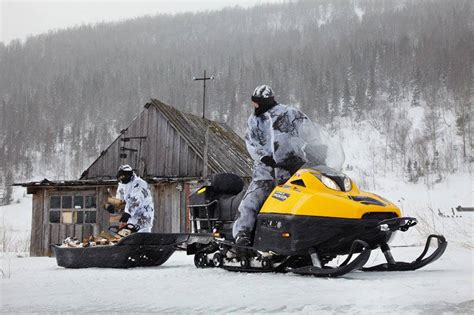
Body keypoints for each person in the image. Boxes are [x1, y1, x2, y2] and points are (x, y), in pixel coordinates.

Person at [232, 85, 325, 245]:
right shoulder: (253, 121)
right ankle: (242, 234)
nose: (255, 106)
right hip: (265, 173)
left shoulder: (290, 114)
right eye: (253, 103)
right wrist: (263, 157)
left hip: (292, 170)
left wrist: (318, 149)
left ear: (267, 101)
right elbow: (250, 143)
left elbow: (309, 131)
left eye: (258, 103)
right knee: (252, 200)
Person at [115, 164, 155, 233]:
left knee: (142, 232)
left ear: (129, 175)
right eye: (121, 177)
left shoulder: (139, 184)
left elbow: (136, 200)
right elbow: (120, 198)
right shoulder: (122, 185)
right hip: (131, 218)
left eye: (124, 176)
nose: (122, 178)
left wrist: (127, 213)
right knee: (129, 233)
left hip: (143, 215)